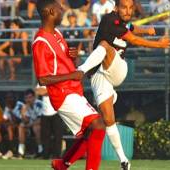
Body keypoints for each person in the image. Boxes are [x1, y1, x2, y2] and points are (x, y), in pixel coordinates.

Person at [77, 0, 170, 169]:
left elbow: (132, 29)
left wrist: (147, 31)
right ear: (116, 8)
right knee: (108, 120)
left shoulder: (122, 22)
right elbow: (133, 38)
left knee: (105, 46)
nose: (128, 11)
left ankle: (79, 71)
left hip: (118, 69)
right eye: (124, 7)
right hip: (99, 75)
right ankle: (124, 160)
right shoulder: (108, 19)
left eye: (130, 7)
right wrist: (158, 43)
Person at [32, 0, 105, 170]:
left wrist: (72, 57)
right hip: (62, 93)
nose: (62, 9)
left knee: (90, 132)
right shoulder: (40, 42)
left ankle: (62, 164)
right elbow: (43, 79)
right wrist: (73, 74)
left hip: (72, 89)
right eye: (59, 8)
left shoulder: (57, 33)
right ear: (50, 11)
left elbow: (62, 62)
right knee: (98, 125)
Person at [36, 85, 64, 159]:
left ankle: (57, 155)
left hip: (56, 112)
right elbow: (38, 91)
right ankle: (45, 155)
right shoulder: (42, 80)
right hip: (44, 113)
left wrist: (45, 91)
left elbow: (60, 91)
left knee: (58, 136)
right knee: (45, 136)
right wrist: (52, 90)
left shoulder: (56, 79)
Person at [17, 89, 43, 158]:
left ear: (34, 97)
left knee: (36, 127)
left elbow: (40, 120)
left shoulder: (39, 104)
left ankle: (40, 150)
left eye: (30, 97)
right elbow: (26, 121)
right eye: (26, 98)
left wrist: (30, 125)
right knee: (21, 126)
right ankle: (21, 151)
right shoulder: (25, 106)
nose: (28, 100)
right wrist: (23, 112)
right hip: (31, 125)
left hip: (42, 126)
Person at [1, 91, 24, 159]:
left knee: (10, 128)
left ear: (15, 98)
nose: (9, 99)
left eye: (10, 97)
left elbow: (20, 120)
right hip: (12, 126)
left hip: (22, 126)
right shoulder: (7, 107)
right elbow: (5, 120)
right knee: (4, 128)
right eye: (7, 98)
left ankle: (13, 151)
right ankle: (3, 151)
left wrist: (11, 111)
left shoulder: (20, 105)